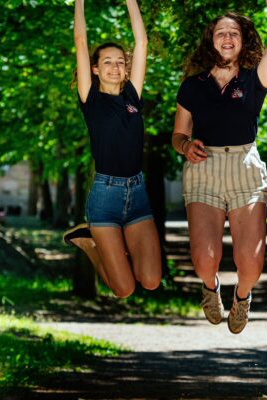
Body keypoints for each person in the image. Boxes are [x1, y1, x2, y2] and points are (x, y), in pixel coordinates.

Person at [171, 1, 267, 333]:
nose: (226, 37)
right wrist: (185, 146)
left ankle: (242, 297)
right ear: (211, 40)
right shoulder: (193, 85)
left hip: (245, 168)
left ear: (243, 40)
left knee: (251, 263)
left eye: (233, 32)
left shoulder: (254, 78)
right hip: (204, 168)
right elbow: (178, 134)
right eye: (220, 32)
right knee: (204, 260)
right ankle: (210, 288)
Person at [65, 0, 161, 298]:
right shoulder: (90, 99)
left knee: (152, 281)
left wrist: (131, 1)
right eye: (107, 61)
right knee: (123, 289)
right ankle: (88, 242)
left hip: (138, 195)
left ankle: (108, 245)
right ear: (95, 69)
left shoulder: (133, 95)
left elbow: (141, 41)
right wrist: (79, 2)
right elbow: (80, 42)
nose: (115, 67)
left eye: (120, 61)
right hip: (105, 197)